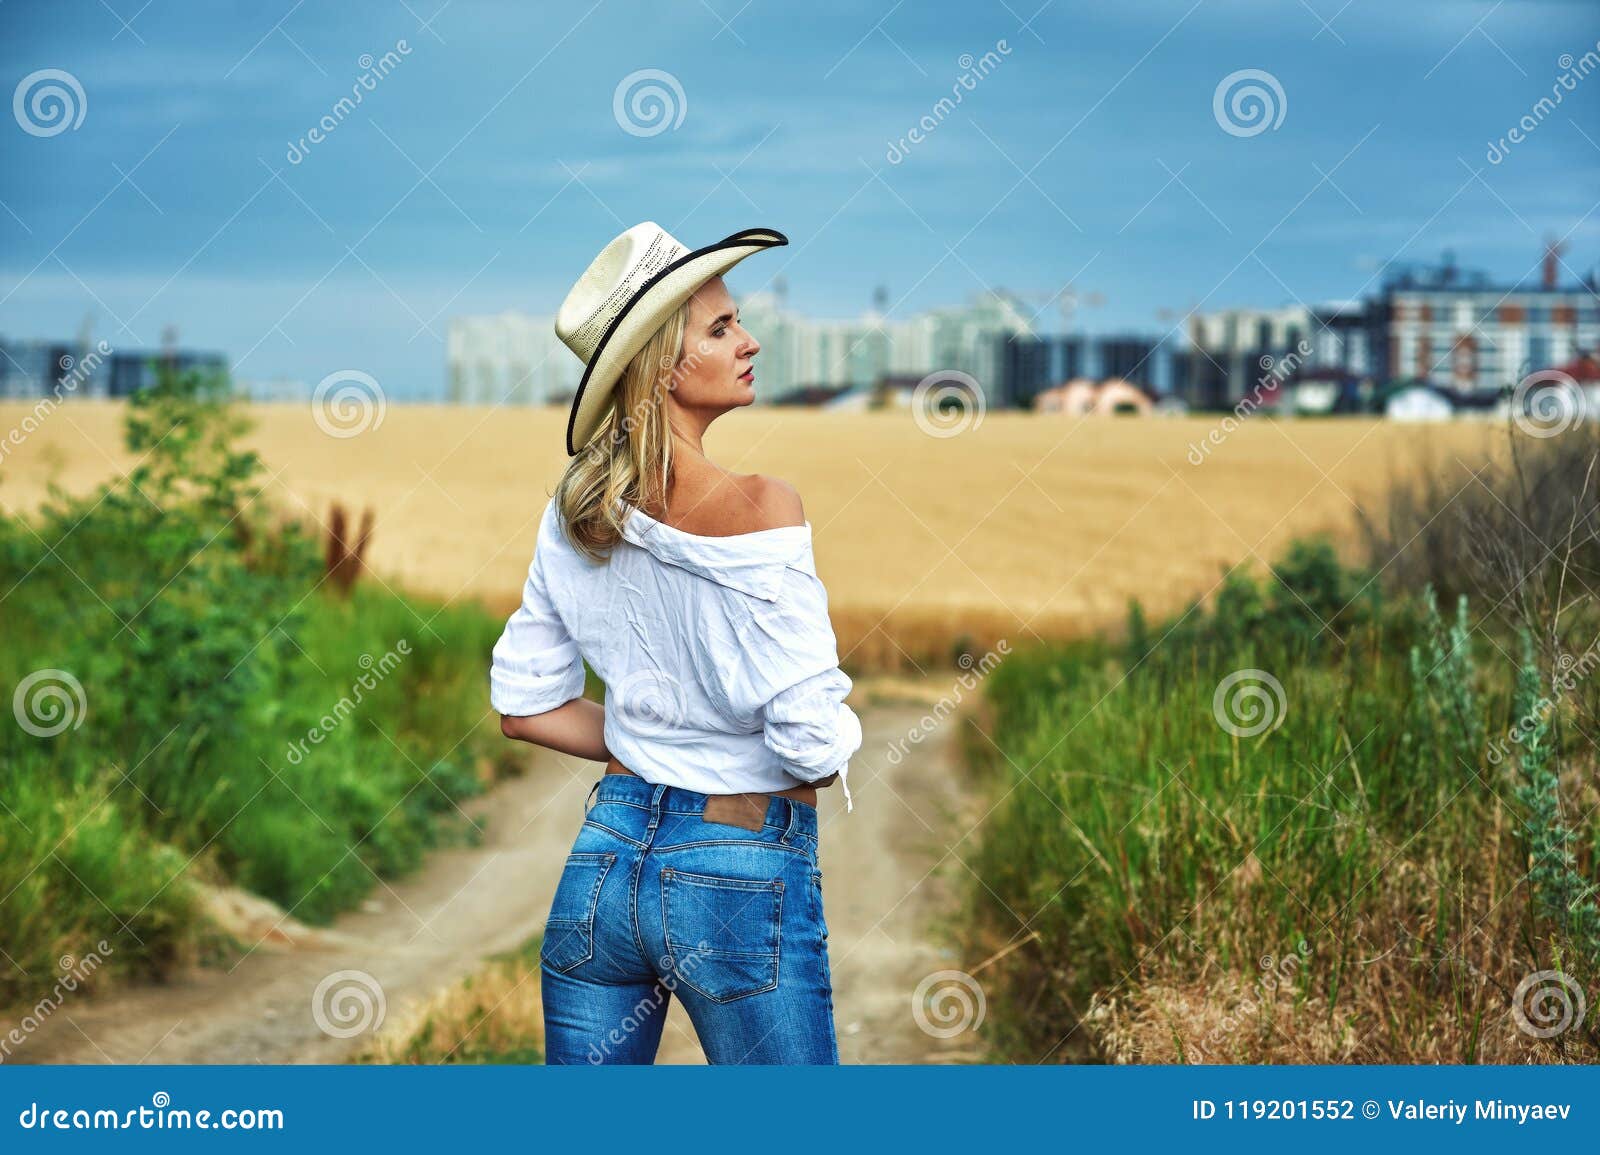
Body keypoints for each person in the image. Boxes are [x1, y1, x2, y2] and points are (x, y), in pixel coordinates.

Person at [490, 221, 863, 1064]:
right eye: (722, 327)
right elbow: (814, 747)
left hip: (602, 863)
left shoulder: (575, 514)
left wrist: (639, 748)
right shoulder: (765, 506)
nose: (750, 339)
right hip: (738, 868)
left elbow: (523, 708)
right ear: (662, 363)